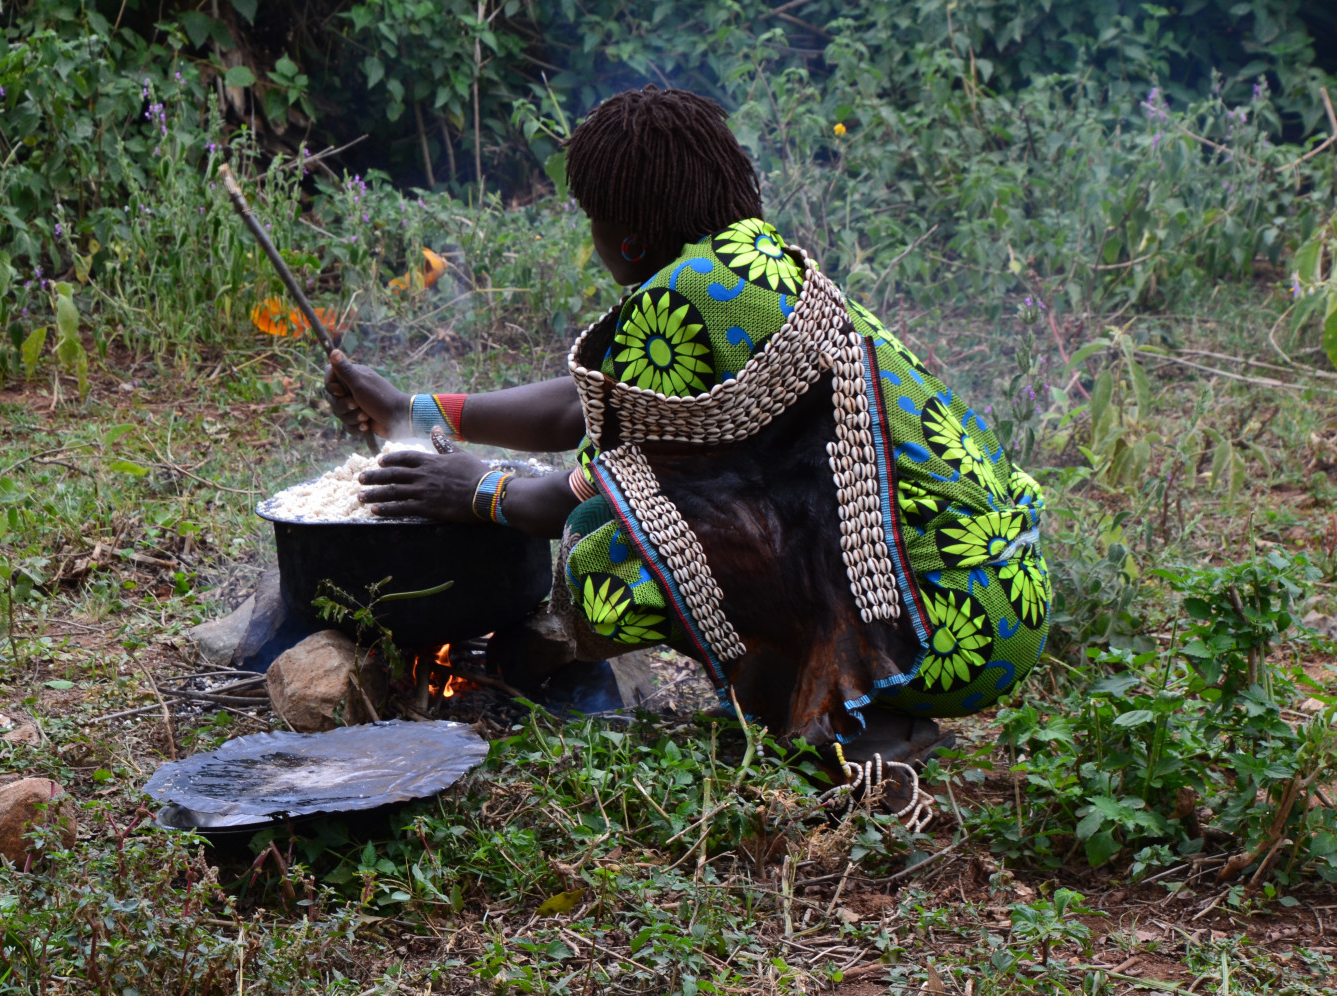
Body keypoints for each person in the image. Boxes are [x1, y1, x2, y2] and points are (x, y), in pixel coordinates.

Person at [325, 86, 1051, 766]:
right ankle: (852, 693)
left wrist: (476, 487)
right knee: (693, 516)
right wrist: (417, 412)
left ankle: (850, 719)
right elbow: (585, 406)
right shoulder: (749, 263)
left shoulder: (680, 300)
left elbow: (586, 497)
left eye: (593, 218)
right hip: (1003, 599)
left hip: (942, 633)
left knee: (603, 557)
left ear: (630, 237)